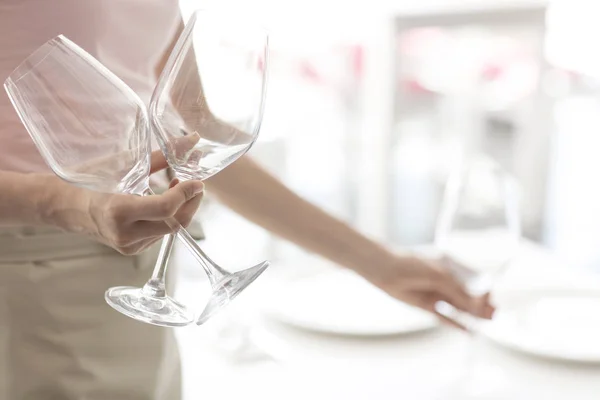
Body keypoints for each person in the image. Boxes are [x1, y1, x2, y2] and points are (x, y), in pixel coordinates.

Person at [0, 1, 494, 399]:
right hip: (33, 269)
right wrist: (69, 205)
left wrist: (381, 265)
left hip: (134, 262)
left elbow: (196, 138)